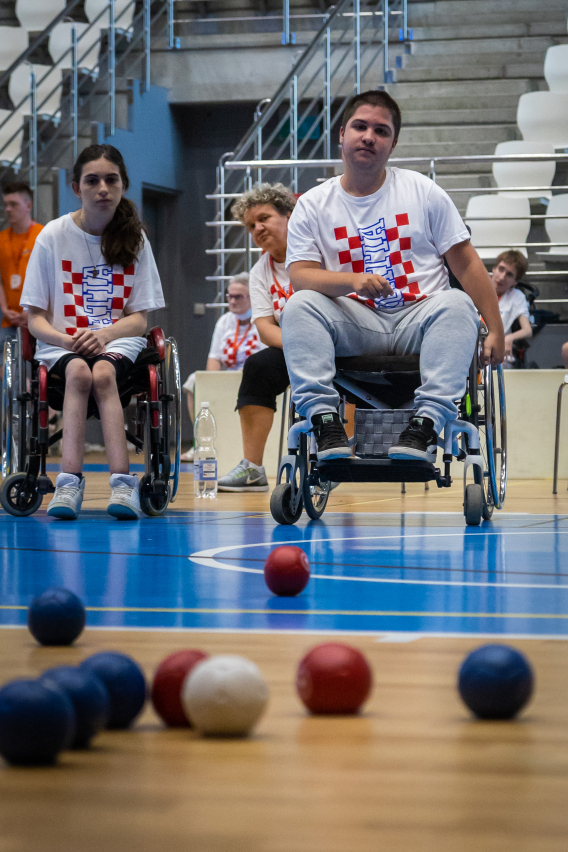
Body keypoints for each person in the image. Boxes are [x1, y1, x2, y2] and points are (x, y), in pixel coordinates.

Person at [283, 90, 505, 463]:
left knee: (457, 302)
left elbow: (467, 264)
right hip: (355, 323)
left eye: (381, 131)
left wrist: (496, 329)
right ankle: (325, 422)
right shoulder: (312, 204)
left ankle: (426, 424)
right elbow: (300, 276)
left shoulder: (423, 191)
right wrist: (353, 281)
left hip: (420, 319)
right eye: (360, 127)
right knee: (300, 304)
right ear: (342, 134)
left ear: (393, 143)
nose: (369, 136)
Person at [21, 143, 165, 520]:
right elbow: (35, 319)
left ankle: (123, 484)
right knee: (78, 371)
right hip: (61, 342)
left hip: (117, 339)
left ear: (123, 185)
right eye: (92, 180)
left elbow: (139, 320)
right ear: (76, 188)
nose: (103, 188)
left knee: (101, 372)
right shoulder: (52, 236)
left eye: (111, 180)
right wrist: (67, 340)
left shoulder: (136, 240)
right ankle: (68, 483)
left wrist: (103, 336)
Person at [217, 183, 296, 492]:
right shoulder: (260, 271)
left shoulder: (318, 252)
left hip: (335, 343)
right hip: (293, 346)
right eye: (251, 226)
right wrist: (302, 347)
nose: (258, 229)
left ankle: (339, 453)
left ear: (288, 216)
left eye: (264, 218)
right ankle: (252, 468)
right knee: (257, 367)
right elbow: (264, 328)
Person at [181, 272, 265, 462]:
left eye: (238, 296)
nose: (232, 301)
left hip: (254, 374)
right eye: (230, 296)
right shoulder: (224, 321)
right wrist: (213, 382)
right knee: (194, 381)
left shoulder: (262, 320)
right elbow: (214, 359)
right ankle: (200, 442)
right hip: (228, 374)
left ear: (252, 297)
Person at [0, 182, 43, 374]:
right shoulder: (1, 238)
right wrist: (4, 309)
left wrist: (29, 310)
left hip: (38, 319)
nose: (8, 209)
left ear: (29, 205)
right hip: (8, 321)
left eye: (13, 204)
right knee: (6, 374)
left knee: (36, 374)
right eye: (6, 204)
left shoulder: (43, 235)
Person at [491, 250, 532, 367]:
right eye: (501, 269)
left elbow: (527, 330)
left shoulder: (517, 296)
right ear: (494, 269)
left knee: (504, 364)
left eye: (509, 274)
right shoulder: (477, 288)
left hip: (499, 349)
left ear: (515, 281)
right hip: (474, 347)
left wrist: (509, 338)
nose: (502, 277)